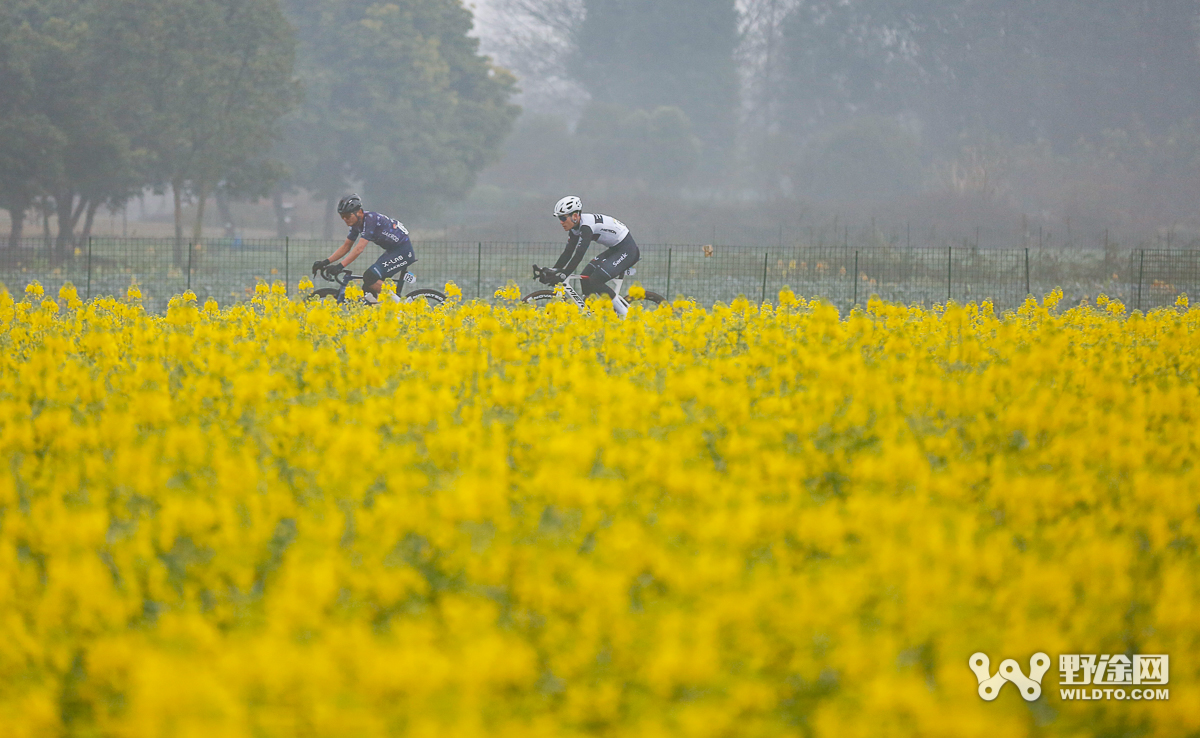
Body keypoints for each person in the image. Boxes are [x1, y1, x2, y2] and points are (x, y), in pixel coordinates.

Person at [539, 196, 639, 317]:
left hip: (627, 249)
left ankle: (626, 315)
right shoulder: (575, 228)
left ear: (575, 216)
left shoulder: (586, 227)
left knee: (596, 280)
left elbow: (579, 254)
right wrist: (554, 270)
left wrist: (564, 274)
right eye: (559, 218)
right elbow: (568, 252)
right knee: (585, 276)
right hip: (615, 249)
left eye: (563, 217)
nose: (561, 221)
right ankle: (593, 315)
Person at [312, 194, 416, 303]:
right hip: (392, 251)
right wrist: (325, 262)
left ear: (359, 212)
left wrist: (340, 266)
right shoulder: (356, 225)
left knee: (370, 277)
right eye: (342, 216)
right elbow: (346, 246)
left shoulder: (370, 220)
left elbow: (359, 249)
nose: (345, 219)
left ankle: (402, 305)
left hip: (403, 251)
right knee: (367, 289)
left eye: (347, 216)